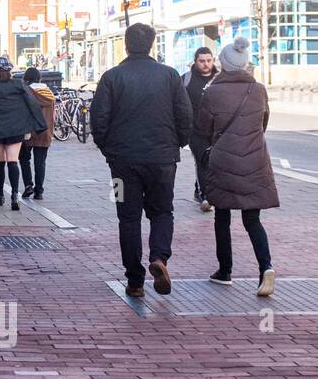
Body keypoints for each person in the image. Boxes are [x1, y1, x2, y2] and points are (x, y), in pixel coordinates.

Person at [89, 23, 193, 298]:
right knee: (162, 211)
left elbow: (98, 120)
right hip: (162, 160)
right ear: (151, 45)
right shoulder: (170, 76)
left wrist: (108, 149)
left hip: (122, 162)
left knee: (128, 218)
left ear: (126, 44)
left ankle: (134, 280)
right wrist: (177, 144)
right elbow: (185, 116)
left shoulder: (112, 77)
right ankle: (159, 258)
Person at [197, 37, 278, 296]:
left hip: (224, 161)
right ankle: (265, 267)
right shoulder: (259, 90)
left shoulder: (212, 92)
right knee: (252, 219)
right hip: (255, 161)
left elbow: (204, 129)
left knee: (222, 217)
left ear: (223, 64)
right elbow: (263, 123)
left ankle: (225, 271)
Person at [0, 57, 46, 210]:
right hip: (15, 129)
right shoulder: (18, 84)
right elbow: (32, 103)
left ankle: (0, 195)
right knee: (13, 162)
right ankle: (14, 194)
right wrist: (39, 124)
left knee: (0, 162)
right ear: (10, 71)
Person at [183, 46, 217, 213]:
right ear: (195, 62)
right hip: (196, 131)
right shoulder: (187, 80)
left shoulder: (220, 79)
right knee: (203, 161)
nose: (205, 64)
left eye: (209, 60)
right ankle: (206, 197)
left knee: (214, 163)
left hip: (217, 130)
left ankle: (198, 189)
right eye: (202, 61)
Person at [19, 66, 56, 199]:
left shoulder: (26, 92)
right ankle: (39, 191)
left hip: (28, 131)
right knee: (40, 162)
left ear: (26, 78)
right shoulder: (49, 93)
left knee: (24, 159)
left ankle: (28, 185)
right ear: (39, 78)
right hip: (44, 132)